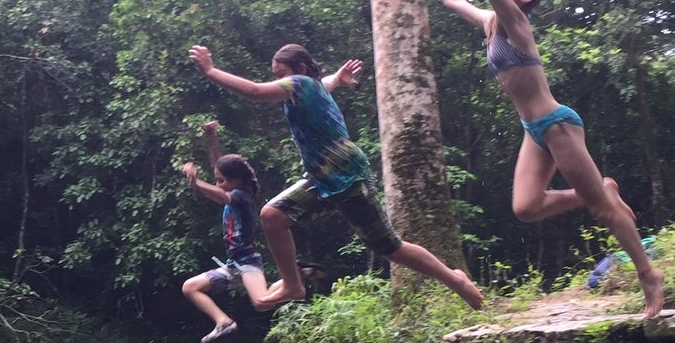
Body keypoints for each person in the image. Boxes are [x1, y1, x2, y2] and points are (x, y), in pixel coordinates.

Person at [414, 0, 665, 319]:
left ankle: (648, 275)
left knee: (605, 212)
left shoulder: (514, 22)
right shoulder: (490, 22)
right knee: (526, 207)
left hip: (557, 123)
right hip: (535, 130)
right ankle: (599, 189)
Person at [187, 43, 485, 312]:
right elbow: (323, 84)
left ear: (300, 70)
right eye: (276, 75)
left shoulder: (301, 84)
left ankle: (454, 279)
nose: (280, 80)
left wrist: (211, 70)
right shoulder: (310, 88)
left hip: (346, 175)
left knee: (391, 247)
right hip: (320, 178)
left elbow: (254, 92)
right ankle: (293, 285)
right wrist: (338, 80)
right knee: (273, 216)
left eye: (282, 74)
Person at [180, 120, 269, 343]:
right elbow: (219, 164)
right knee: (189, 287)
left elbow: (221, 195)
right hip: (233, 265)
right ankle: (223, 321)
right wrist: (211, 138)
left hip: (248, 262)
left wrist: (195, 181)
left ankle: (294, 277)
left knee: (261, 302)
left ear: (236, 180)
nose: (218, 184)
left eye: (221, 181)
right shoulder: (233, 184)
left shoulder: (242, 195)